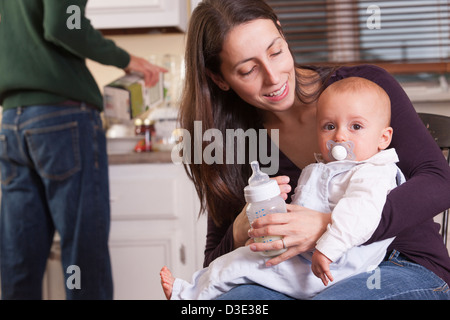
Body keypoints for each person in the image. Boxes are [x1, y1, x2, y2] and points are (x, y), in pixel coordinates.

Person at [176, 0, 450, 300]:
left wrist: (329, 227)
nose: (273, 77)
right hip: (299, 279)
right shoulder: (233, 141)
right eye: (248, 70)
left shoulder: (363, 88)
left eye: (276, 52)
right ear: (219, 78)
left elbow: (439, 182)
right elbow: (213, 266)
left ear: (283, 33)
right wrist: (240, 231)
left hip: (400, 265)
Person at [160, 77, 405, 300]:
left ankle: (188, 295)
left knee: (242, 264)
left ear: (383, 138)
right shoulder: (327, 168)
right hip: (310, 257)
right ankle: (191, 291)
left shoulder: (373, 172)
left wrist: (327, 251)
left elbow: (360, 214)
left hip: (334, 264)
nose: (340, 136)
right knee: (240, 260)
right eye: (329, 126)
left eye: (356, 127)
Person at [0, 0, 166, 299]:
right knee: (82, 253)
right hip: (62, 121)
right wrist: (126, 59)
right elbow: (64, 25)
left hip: (13, 121)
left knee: (19, 257)